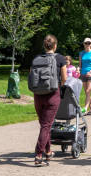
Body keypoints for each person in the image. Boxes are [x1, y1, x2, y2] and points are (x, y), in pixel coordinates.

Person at [31, 34, 67, 166]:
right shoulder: (60, 58)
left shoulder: (36, 58)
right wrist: (61, 87)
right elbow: (64, 78)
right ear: (55, 45)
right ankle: (38, 155)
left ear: (44, 45)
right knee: (46, 125)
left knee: (44, 125)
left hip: (38, 94)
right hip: (53, 93)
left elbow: (32, 76)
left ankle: (48, 152)